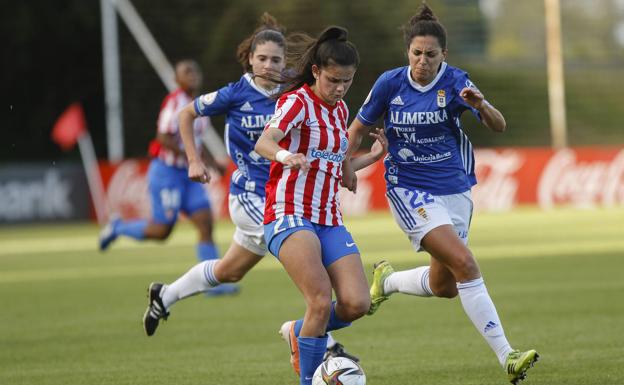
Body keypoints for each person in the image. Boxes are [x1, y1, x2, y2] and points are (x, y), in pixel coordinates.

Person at [141, 14, 362, 362]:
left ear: (285, 62)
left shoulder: (295, 91)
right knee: (303, 251)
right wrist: (194, 160)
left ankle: (165, 295)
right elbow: (186, 114)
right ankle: (323, 336)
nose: (269, 65)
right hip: (251, 196)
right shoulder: (234, 93)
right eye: (262, 59)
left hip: (287, 193)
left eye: (276, 59)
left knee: (230, 270)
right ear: (250, 59)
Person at [342, 4, 538, 384]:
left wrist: (480, 104)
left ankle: (389, 281)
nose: (422, 61)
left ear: (443, 55)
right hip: (409, 189)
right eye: (416, 53)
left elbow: (498, 125)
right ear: (408, 53)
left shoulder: (457, 82)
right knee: (466, 264)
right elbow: (356, 129)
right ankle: (507, 355)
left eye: (431, 55)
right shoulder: (390, 84)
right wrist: (349, 164)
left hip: (456, 190)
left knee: (446, 285)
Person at [254, 26, 387, 385]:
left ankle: (300, 332)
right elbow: (264, 143)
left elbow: (338, 169)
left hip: (328, 218)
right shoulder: (297, 102)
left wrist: (371, 157)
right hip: (288, 212)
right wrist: (286, 155)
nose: (340, 88)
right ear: (316, 72)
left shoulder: (340, 110)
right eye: (333, 80)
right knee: (318, 299)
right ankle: (308, 379)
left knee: (357, 303)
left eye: (347, 81)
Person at [98, 60, 238, 295]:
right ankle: (118, 227)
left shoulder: (201, 106)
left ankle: (215, 285)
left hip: (188, 174)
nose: (192, 75)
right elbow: (163, 137)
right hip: (167, 173)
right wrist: (190, 155)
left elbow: (198, 144)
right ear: (177, 80)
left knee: (205, 223)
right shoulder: (174, 102)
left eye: (194, 70)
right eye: (186, 72)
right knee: (162, 230)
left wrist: (214, 165)